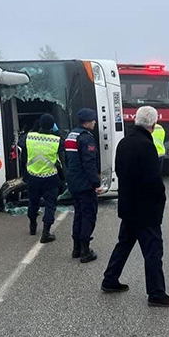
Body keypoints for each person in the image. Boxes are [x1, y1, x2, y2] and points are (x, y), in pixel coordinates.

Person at [101, 106, 169, 307]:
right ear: (153, 125)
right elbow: (153, 180)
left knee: (124, 244)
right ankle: (156, 293)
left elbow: (119, 170)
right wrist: (160, 200)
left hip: (128, 205)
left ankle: (110, 279)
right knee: (153, 252)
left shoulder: (124, 143)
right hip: (146, 209)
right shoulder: (147, 146)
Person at [18, 113, 65, 243]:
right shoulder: (56, 140)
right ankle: (46, 232)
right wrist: (57, 131)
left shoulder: (28, 137)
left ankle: (32, 225)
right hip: (50, 178)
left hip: (32, 176)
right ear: (52, 126)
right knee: (50, 205)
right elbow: (64, 148)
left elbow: (21, 150)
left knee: (33, 202)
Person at [65, 108, 101, 263]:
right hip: (84, 183)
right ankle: (85, 251)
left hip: (73, 181)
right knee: (88, 215)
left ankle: (76, 248)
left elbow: (67, 159)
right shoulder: (86, 138)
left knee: (78, 214)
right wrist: (96, 183)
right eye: (93, 121)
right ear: (87, 122)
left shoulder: (71, 135)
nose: (94, 123)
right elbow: (89, 162)